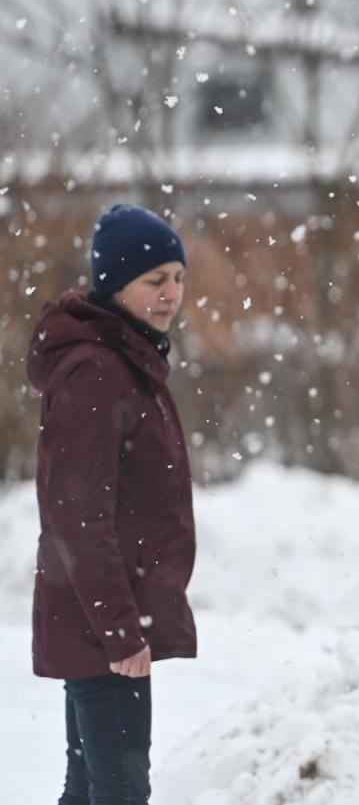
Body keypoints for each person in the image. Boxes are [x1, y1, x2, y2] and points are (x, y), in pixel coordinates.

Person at [30, 203, 196, 805]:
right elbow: (77, 518)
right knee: (120, 792)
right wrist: (121, 631)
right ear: (116, 283)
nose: (171, 293)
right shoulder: (97, 370)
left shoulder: (125, 360)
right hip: (103, 627)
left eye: (178, 277)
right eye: (155, 280)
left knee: (93, 791)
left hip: (103, 622)